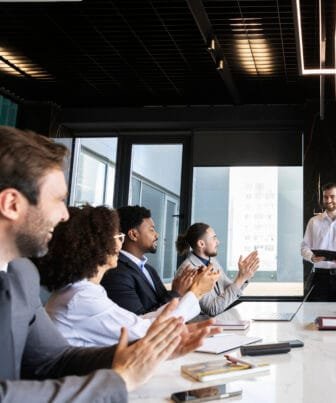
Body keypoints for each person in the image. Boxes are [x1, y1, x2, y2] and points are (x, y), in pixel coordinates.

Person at [0, 126, 212, 401]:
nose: (65, 215)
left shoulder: (21, 273)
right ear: (11, 204)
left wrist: (150, 350)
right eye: (57, 200)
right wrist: (118, 381)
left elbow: (53, 360)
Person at [40, 205, 220, 347]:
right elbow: (145, 330)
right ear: (95, 246)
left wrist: (189, 299)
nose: (120, 243)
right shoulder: (81, 297)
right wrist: (194, 293)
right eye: (117, 236)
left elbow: (138, 322)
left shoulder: (83, 292)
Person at [101, 205, 198, 315]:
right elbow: (141, 322)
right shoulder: (116, 273)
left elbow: (160, 302)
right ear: (133, 234)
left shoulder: (149, 269)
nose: (157, 235)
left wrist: (186, 289)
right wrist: (177, 292)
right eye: (151, 230)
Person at [175, 223, 260, 316]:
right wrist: (241, 279)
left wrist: (243, 275)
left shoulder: (212, 261)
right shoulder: (189, 270)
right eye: (214, 238)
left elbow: (230, 288)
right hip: (200, 325)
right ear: (201, 243)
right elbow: (212, 309)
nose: (218, 242)